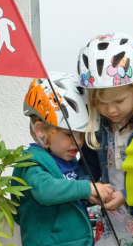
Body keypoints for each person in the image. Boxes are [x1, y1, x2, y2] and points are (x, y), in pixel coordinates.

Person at [12, 72, 113, 246]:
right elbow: (46, 191)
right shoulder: (32, 163)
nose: (79, 142)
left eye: (82, 135)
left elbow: (72, 194)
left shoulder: (67, 161)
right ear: (40, 130)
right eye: (69, 134)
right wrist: (86, 188)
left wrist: (88, 196)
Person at [78, 32, 133, 245]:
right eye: (100, 103)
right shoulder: (98, 129)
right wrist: (89, 187)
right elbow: (87, 167)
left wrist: (127, 195)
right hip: (112, 224)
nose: (110, 109)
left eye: (119, 100)